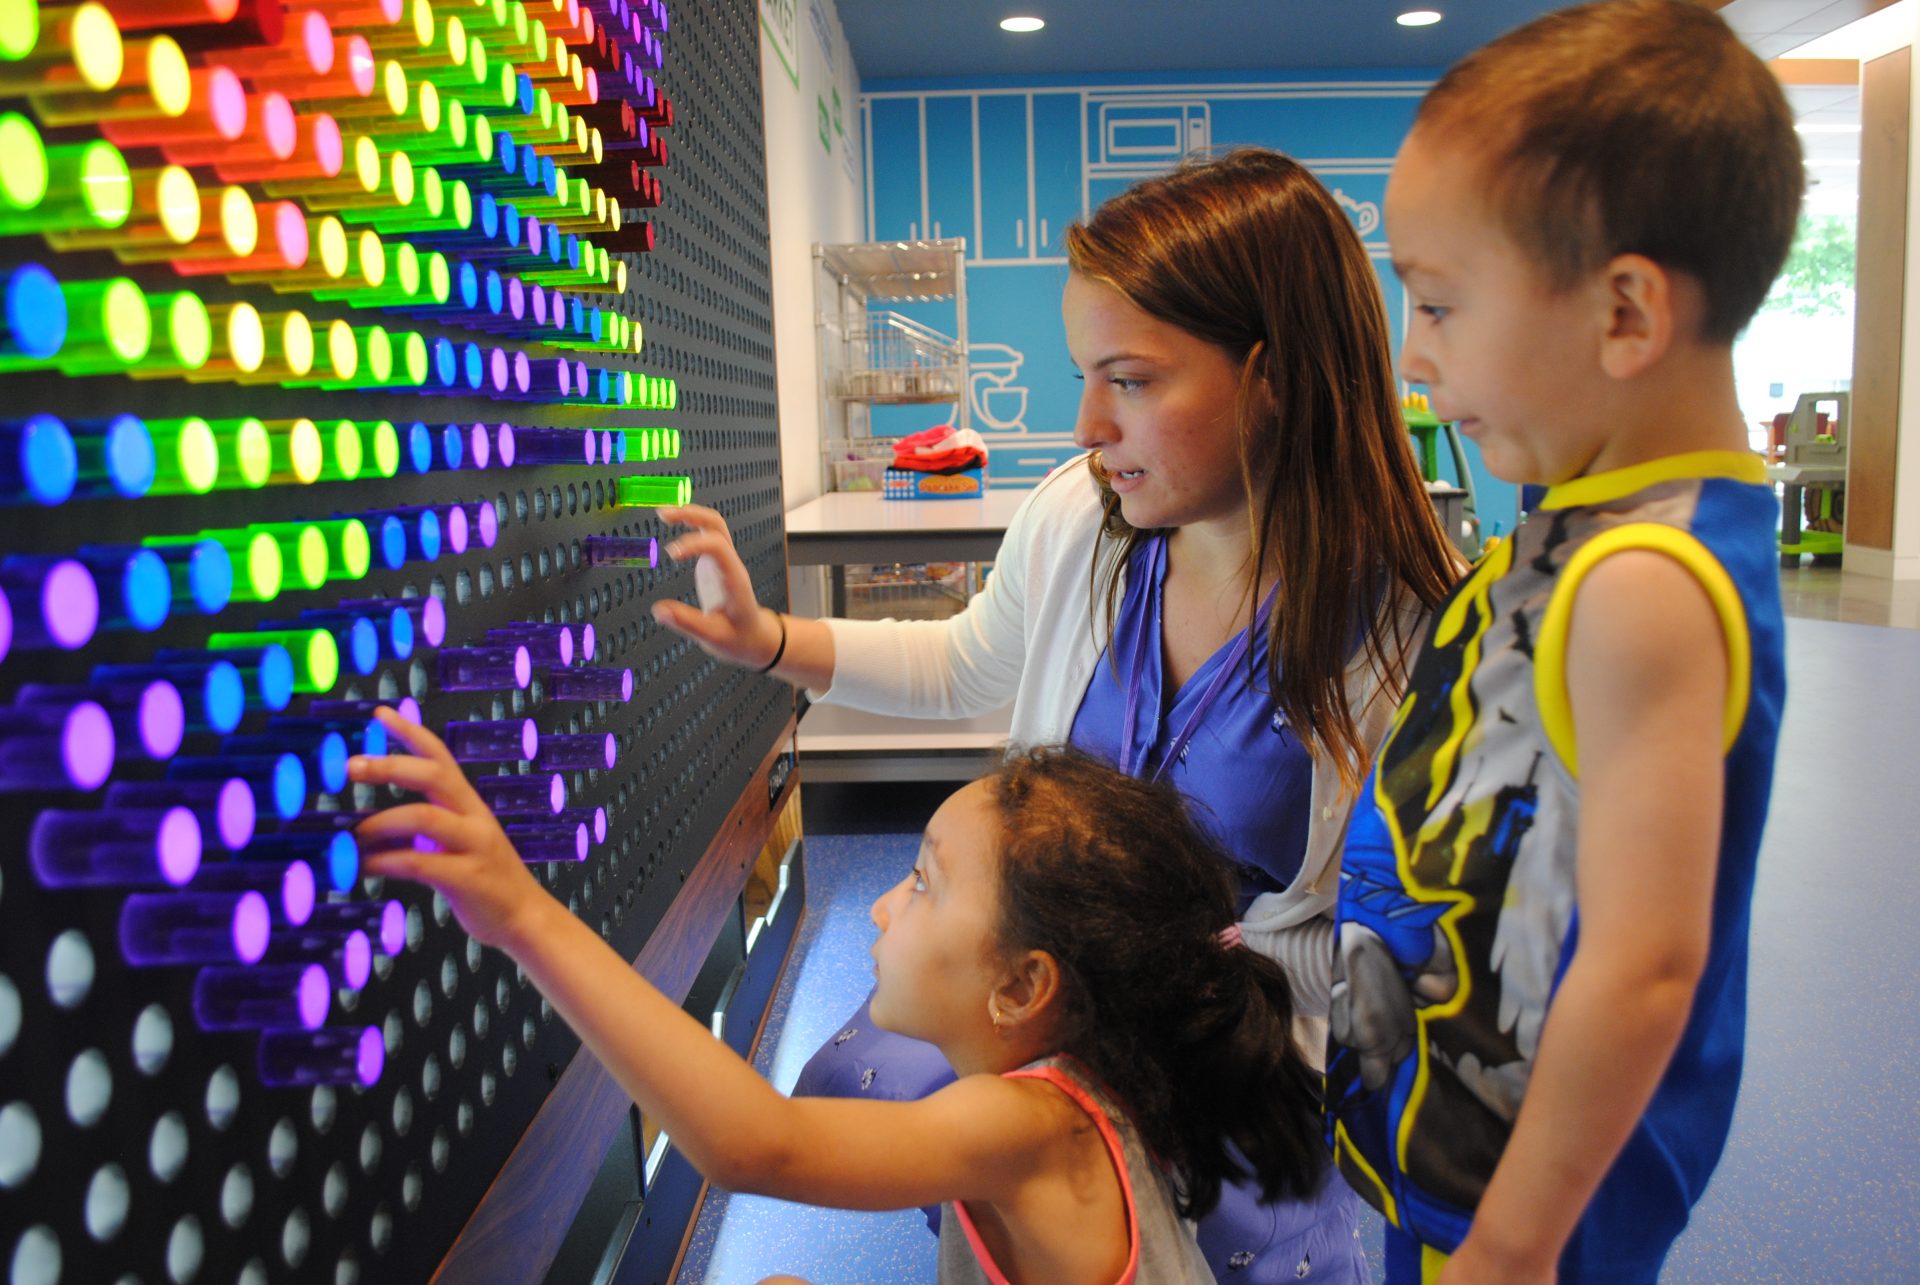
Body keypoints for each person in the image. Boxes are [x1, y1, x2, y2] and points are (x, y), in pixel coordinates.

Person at [653, 147, 1462, 1280]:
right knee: (873, 1085)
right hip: (1049, 997)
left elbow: (1388, 957)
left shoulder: (1403, 633)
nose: (1087, 423)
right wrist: (775, 642)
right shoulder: (1083, 518)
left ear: (1270, 376)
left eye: (1130, 379)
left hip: (1230, 1051)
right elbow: (965, 664)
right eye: (1088, 376)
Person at [1322, 3, 1798, 1281]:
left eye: (1437, 303)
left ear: (1626, 316)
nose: (1413, 356)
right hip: (1465, 1139)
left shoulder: (1643, 582)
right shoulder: (1594, 516)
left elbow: (1645, 964)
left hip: (1524, 1204)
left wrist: (1518, 1243)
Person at [350, 718, 1326, 1284]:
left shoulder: (1024, 1120)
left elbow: (757, 1145)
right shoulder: (1083, 1087)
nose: (889, 902)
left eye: (924, 880)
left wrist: (524, 915)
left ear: (1022, 986)